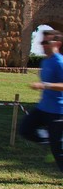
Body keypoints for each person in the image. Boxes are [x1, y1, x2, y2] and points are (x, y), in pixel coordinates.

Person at [20, 29, 63, 173]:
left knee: (58, 152)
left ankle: (56, 142)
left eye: (46, 42)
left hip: (58, 111)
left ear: (57, 43)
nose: (42, 45)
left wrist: (45, 85)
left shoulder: (60, 62)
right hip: (43, 108)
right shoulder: (45, 61)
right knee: (25, 129)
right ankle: (52, 139)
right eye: (41, 42)